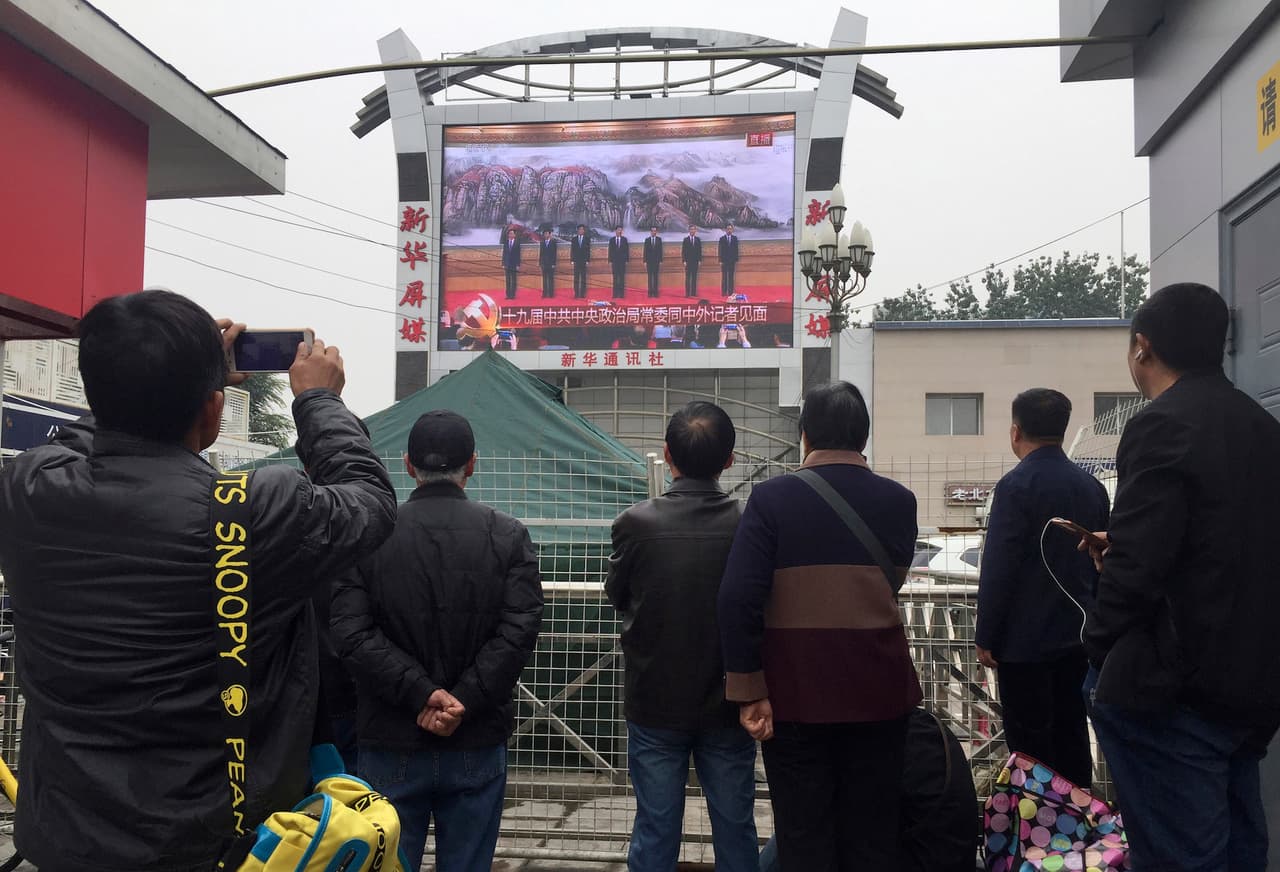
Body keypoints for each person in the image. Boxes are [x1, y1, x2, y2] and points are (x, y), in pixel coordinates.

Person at [0, 289, 397, 872]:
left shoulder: (27, 488)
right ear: (213, 410)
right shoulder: (255, 511)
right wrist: (318, 401)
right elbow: (371, 501)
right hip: (210, 843)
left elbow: (95, 432)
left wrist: (144, 373)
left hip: (65, 836)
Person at [1080, 282, 1280, 871]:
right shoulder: (1263, 428)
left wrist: (1098, 646)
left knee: (1180, 854)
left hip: (1177, 687)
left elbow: (1139, 568)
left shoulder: (1161, 424)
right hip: (1254, 682)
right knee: (1238, 846)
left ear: (1142, 347)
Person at [719, 381, 922, 872]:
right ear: (864, 436)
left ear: (805, 434)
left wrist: (749, 690)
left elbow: (738, 596)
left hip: (796, 696)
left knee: (804, 834)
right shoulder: (900, 501)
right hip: (881, 693)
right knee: (872, 833)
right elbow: (890, 581)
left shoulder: (771, 499)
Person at [332, 410, 544, 872]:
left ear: (408, 465)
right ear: (472, 465)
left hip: (390, 737)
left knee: (388, 861)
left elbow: (351, 633)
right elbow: (519, 628)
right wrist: (461, 699)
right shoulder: (508, 535)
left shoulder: (371, 536)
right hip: (475, 736)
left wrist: (421, 693)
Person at [606, 403, 759, 872]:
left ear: (667, 455)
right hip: (729, 702)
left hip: (654, 699)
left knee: (655, 828)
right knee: (735, 826)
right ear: (729, 459)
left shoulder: (635, 523)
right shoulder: (748, 524)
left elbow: (617, 595)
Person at [975, 388, 1108, 789]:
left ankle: (1037, 824)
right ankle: (1080, 819)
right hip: (1079, 638)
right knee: (1073, 737)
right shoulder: (1092, 487)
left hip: (1024, 645)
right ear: (1063, 431)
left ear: (1016, 432)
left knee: (1030, 751)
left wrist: (987, 635)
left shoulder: (1015, 487)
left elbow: (1000, 566)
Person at [757, 707, 980, 872]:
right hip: (946, 854)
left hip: (906, 856)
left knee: (800, 827)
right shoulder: (926, 729)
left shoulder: (872, 745)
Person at [570, 223, 591, 298]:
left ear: (584, 230)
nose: (581, 231)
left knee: (583, 278)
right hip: (576, 261)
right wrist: (572, 260)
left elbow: (588, 250)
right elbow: (572, 250)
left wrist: (587, 260)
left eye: (582, 229)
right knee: (576, 278)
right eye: (580, 229)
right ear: (577, 230)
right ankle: (576, 293)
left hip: (584, 261)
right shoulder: (574, 239)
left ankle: (582, 293)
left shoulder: (587, 239)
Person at [718, 224, 740, 295]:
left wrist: (736, 259)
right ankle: (724, 292)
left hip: (732, 261)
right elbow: (720, 250)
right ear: (725, 230)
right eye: (728, 229)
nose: (729, 230)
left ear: (732, 230)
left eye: (730, 229)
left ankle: (730, 292)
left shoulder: (734, 238)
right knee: (724, 277)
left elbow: (736, 249)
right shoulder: (722, 239)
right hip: (724, 261)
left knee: (731, 277)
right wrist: (720, 260)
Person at [609, 225, 630, 299]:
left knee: (621, 278)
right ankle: (615, 294)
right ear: (616, 231)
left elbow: (627, 250)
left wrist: (626, 260)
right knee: (615, 278)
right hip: (614, 261)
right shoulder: (612, 240)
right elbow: (610, 250)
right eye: (618, 230)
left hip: (622, 262)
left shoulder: (624, 239)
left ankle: (621, 294)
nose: (619, 231)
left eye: (621, 230)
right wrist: (610, 260)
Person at [643, 226, 664, 298]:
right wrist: (644, 261)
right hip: (649, 262)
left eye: (655, 231)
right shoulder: (647, 240)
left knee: (655, 277)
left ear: (656, 232)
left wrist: (660, 260)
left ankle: (655, 292)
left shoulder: (659, 240)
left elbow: (660, 251)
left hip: (656, 261)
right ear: (650, 232)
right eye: (652, 231)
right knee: (649, 277)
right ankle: (650, 292)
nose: (653, 232)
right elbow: (645, 251)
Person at [682, 225, 702, 297]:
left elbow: (699, 251)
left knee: (694, 278)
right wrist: (684, 261)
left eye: (693, 229)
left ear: (695, 231)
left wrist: (699, 260)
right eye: (691, 229)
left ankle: (693, 293)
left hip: (695, 261)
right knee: (688, 278)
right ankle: (687, 293)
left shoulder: (698, 240)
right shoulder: (686, 240)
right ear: (689, 230)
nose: (692, 231)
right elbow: (683, 251)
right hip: (688, 261)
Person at [502, 226, 522, 300]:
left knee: (513, 280)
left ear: (514, 235)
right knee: (507, 280)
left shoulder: (517, 243)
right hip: (507, 264)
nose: (510, 235)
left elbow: (518, 255)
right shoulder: (506, 243)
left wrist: (518, 265)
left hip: (514, 264)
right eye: (509, 234)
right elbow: (504, 254)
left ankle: (513, 295)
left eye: (512, 234)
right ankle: (508, 295)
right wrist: (503, 263)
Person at [539, 228, 558, 299]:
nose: (546, 235)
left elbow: (554, 254)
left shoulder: (553, 242)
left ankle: (551, 294)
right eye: (544, 234)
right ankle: (544, 293)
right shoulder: (542, 243)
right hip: (544, 264)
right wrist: (540, 263)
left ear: (550, 234)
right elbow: (541, 254)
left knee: (550, 279)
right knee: (544, 279)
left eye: (547, 233)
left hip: (551, 264)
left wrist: (553, 264)